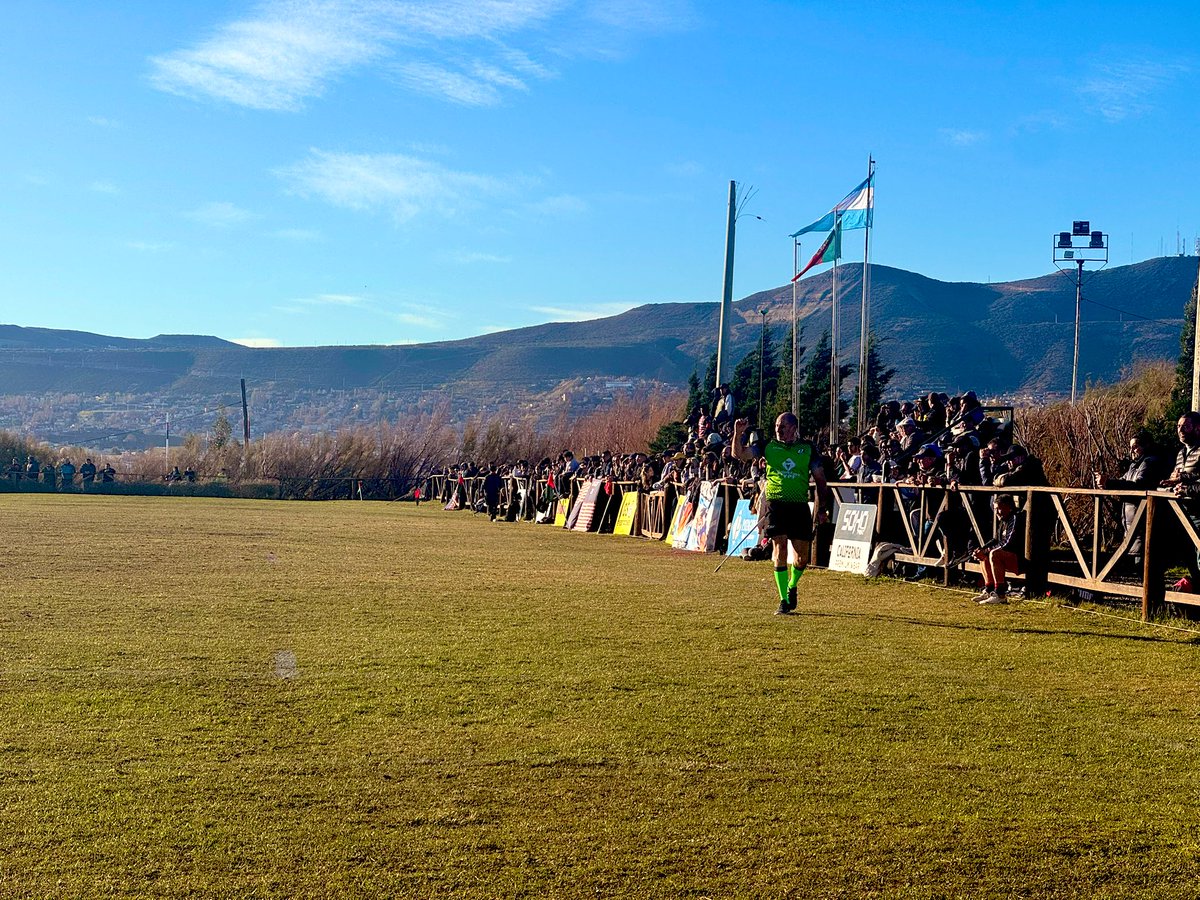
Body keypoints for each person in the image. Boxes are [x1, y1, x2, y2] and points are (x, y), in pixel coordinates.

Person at [732, 412, 831, 616]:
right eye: (777, 425)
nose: (778, 429)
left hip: (799, 506)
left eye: (783, 426)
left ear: (794, 428)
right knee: (780, 549)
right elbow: (740, 455)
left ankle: (792, 585)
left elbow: (821, 480)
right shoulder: (768, 446)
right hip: (776, 505)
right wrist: (737, 434)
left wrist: (822, 509)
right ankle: (783, 601)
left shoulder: (807, 449)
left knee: (802, 557)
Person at [1094, 433, 1161, 567]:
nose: (1132, 450)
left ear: (1146, 446)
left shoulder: (1149, 463)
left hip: (1143, 521)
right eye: (1131, 447)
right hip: (1133, 522)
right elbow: (1123, 481)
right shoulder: (1134, 466)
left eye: (1135, 447)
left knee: (1145, 567)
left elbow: (1139, 486)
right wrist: (1106, 483)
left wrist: (1109, 484)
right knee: (1141, 568)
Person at [972, 494, 1026, 604]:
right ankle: (989, 590)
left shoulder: (1015, 518)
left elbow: (1008, 543)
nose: (996, 512)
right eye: (995, 509)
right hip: (1006, 557)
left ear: (1008, 507)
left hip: (1019, 559)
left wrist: (987, 551)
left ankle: (1000, 594)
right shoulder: (1003, 520)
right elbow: (996, 539)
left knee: (994, 554)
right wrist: (981, 550)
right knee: (983, 556)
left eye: (999, 508)